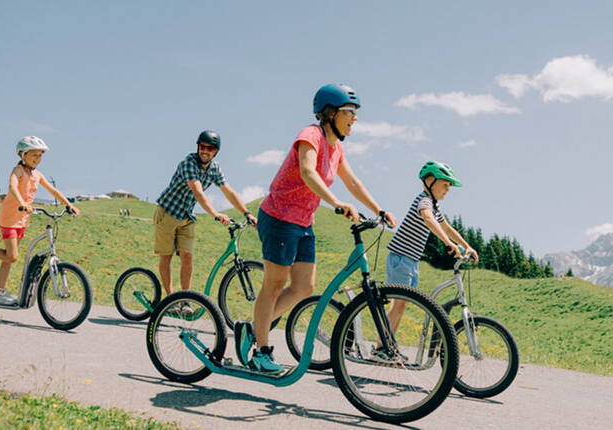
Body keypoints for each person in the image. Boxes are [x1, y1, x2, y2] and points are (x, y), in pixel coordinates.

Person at [233, 84, 398, 373]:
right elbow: (308, 171)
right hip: (280, 216)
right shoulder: (310, 135)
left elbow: (353, 182)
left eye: (355, 113)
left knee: (303, 287)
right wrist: (335, 202)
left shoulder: (337, 148)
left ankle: (252, 329)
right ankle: (261, 349)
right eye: (349, 112)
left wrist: (378, 209)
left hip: (303, 222)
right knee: (274, 283)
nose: (354, 118)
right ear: (330, 113)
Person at [380, 161, 478, 358]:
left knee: (401, 305)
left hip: (410, 260)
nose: (447, 190)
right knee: (398, 305)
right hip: (401, 257)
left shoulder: (434, 205)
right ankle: (382, 348)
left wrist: (466, 245)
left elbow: (448, 227)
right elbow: (428, 219)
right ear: (430, 181)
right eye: (445, 184)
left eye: (449, 187)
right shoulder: (424, 201)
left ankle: (387, 346)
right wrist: (448, 243)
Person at [0, 136, 80, 305]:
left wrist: (69, 205)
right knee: (12, 257)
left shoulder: (37, 174)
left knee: (8, 257)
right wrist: (22, 202)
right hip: (9, 218)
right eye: (34, 155)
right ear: (23, 155)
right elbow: (13, 187)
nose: (38, 159)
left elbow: (53, 191)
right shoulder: (18, 170)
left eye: (40, 156)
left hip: (22, 219)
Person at [153, 130, 258, 308]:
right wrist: (215, 214)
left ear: (216, 152)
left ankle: (184, 301)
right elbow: (198, 192)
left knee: (187, 257)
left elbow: (229, 192)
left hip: (186, 216)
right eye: (202, 146)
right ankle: (170, 299)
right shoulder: (188, 163)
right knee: (166, 257)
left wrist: (247, 213)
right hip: (168, 212)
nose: (205, 151)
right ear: (197, 147)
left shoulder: (215, 168)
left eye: (210, 148)